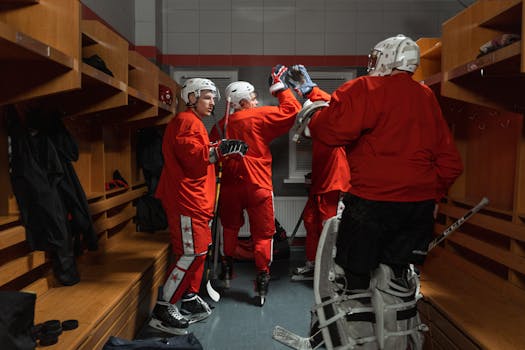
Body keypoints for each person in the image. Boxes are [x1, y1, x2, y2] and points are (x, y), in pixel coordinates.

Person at [287, 34, 463, 348]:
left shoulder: (365, 89)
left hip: (371, 204)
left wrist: (313, 113)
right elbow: (450, 163)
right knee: (396, 282)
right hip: (417, 209)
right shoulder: (425, 97)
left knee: (353, 283)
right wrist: (431, 197)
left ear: (384, 58)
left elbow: (332, 130)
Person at [149, 78, 248, 335]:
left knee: (200, 252)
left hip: (196, 201)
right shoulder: (186, 121)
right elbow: (194, 158)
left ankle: (190, 297)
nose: (212, 101)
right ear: (191, 97)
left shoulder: (195, 123)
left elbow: (200, 151)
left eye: (213, 97)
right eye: (206, 96)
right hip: (186, 201)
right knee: (190, 253)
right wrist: (221, 150)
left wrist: (219, 147)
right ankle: (163, 308)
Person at [209, 65, 301, 306]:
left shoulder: (219, 126)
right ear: (241, 102)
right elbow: (292, 111)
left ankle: (226, 270)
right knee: (263, 234)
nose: (256, 100)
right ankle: (262, 278)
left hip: (229, 186)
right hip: (257, 185)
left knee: (229, 228)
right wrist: (279, 88)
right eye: (252, 98)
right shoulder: (258, 116)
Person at [291, 89, 351, 280]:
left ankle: (330, 271)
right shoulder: (318, 139)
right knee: (311, 222)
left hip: (334, 187)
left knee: (330, 229)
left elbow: (338, 106)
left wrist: (313, 93)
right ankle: (313, 264)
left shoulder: (333, 132)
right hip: (319, 188)